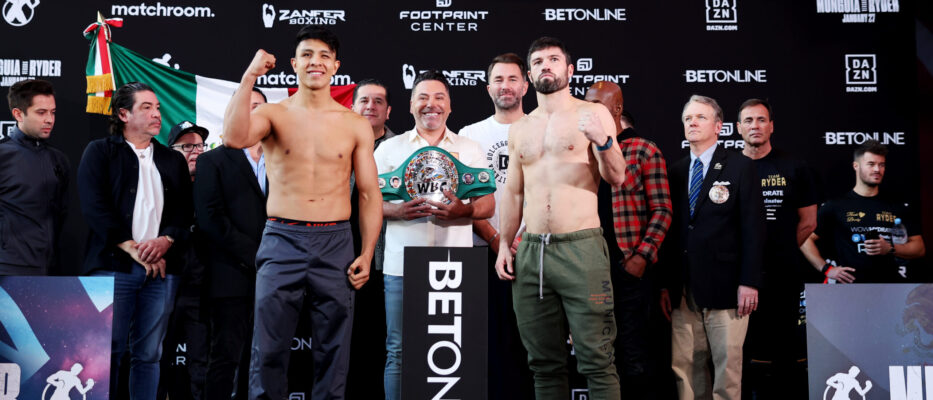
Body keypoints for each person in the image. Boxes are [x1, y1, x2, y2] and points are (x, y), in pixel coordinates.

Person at [222, 25, 382, 400]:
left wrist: (368, 251)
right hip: (282, 238)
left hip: (335, 241)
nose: (316, 62)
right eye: (308, 55)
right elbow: (233, 137)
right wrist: (248, 77)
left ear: (335, 66)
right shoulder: (274, 114)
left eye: (325, 56)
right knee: (269, 347)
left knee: (335, 350)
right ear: (294, 64)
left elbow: (369, 193)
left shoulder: (355, 124)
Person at [495, 36, 627, 400]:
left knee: (597, 360)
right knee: (543, 364)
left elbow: (617, 177)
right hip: (532, 252)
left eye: (553, 59)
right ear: (529, 75)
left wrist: (602, 141)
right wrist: (505, 243)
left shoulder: (594, 114)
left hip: (580, 249)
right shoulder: (520, 128)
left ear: (569, 70)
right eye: (537, 62)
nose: (545, 66)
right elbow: (514, 192)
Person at [373, 69, 495, 400]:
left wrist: (465, 211)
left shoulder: (469, 149)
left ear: (450, 106)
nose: (432, 104)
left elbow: (487, 204)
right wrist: (397, 211)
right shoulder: (387, 150)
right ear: (411, 105)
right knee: (399, 350)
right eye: (423, 97)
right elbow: (366, 203)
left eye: (439, 97)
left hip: (455, 267)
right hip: (400, 267)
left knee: (454, 353)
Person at [78, 81, 192, 400]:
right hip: (112, 269)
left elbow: (185, 213)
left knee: (150, 355)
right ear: (124, 114)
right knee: (106, 355)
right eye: (146, 108)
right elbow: (94, 208)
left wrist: (167, 240)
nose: (157, 114)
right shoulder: (100, 152)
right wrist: (131, 247)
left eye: (157, 107)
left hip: (160, 273)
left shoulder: (173, 160)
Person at [659, 94, 765, 400]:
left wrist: (750, 282)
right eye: (688, 118)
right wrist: (667, 285)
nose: (692, 122)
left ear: (719, 126)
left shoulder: (741, 167)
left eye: (700, 117)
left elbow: (753, 229)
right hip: (684, 290)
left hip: (728, 288)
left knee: (726, 369)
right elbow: (673, 232)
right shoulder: (676, 170)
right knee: (685, 367)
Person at [585, 81, 672, 399]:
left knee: (634, 356)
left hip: (630, 270)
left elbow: (662, 211)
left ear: (617, 109)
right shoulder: (583, 150)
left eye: (597, 103)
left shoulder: (644, 150)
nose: (589, 108)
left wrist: (641, 257)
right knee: (598, 356)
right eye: (587, 102)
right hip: (590, 270)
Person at [459, 52, 534, 400]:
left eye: (513, 79)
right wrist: (494, 239)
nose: (506, 86)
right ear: (488, 87)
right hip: (480, 253)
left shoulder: (541, 128)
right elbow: (465, 200)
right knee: (484, 345)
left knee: (531, 347)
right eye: (499, 80)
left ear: (526, 84)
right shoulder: (469, 135)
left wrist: (518, 241)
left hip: (533, 253)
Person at [736, 98, 818, 399]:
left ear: (771, 126)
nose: (755, 126)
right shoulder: (730, 167)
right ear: (738, 127)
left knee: (785, 348)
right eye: (748, 120)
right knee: (740, 350)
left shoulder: (795, 167)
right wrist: (751, 259)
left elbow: (808, 222)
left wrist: (778, 250)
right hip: (739, 276)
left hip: (783, 273)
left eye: (761, 120)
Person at [198, 88, 268, 400]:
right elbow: (211, 219)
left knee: (268, 359)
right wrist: (258, 256)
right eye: (247, 106)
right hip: (231, 276)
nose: (253, 113)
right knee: (226, 357)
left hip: (277, 277)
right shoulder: (213, 160)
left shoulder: (284, 158)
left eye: (260, 108)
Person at [800, 140, 926, 283]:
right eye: (871, 164)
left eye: (881, 165)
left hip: (889, 288)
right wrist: (827, 268)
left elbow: (919, 248)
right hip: (850, 289)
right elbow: (805, 239)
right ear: (856, 166)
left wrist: (890, 248)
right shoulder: (836, 206)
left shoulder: (897, 206)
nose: (877, 169)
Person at [346, 79, 395, 399]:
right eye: (364, 100)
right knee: (350, 343)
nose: (371, 107)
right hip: (344, 260)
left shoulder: (404, 148)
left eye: (378, 101)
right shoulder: (337, 147)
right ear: (352, 107)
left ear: (389, 111)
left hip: (392, 261)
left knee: (391, 345)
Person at [0, 79, 70, 275]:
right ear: (18, 114)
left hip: (50, 270)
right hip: (7, 269)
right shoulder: (2, 156)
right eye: (41, 112)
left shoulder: (58, 160)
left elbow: (62, 216)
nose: (49, 119)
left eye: (52, 112)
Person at [163, 120, 210, 400]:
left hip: (202, 286)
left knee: (202, 361)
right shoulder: (157, 185)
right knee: (154, 355)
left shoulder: (216, 187)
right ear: (171, 152)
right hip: (162, 281)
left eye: (200, 146)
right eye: (187, 146)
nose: (195, 151)